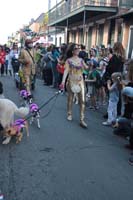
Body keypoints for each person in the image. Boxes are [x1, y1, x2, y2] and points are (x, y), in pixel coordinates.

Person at [60, 43, 88, 128]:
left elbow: (86, 69)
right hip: (71, 81)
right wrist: (63, 81)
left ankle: (82, 119)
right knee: (70, 98)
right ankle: (69, 113)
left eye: (79, 48)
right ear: (72, 51)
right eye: (76, 48)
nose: (78, 50)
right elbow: (66, 71)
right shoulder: (69, 60)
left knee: (82, 100)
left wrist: (89, 66)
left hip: (80, 81)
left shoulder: (81, 60)